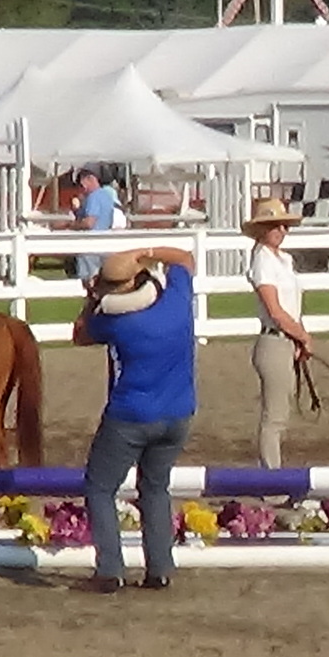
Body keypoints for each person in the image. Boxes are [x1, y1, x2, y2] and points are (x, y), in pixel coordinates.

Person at [72, 247, 198, 594]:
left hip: (129, 416)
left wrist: (92, 298)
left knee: (100, 488)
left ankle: (110, 570)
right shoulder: (176, 302)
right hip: (179, 412)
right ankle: (160, 568)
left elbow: (79, 333)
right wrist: (148, 251)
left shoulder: (113, 322)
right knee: (155, 489)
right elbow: (185, 259)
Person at [242, 196, 312, 468]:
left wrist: (298, 337)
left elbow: (291, 307)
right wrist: (303, 336)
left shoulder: (283, 260)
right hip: (275, 341)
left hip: (286, 341)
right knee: (274, 416)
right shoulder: (262, 261)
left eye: (285, 226)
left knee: (280, 413)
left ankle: (272, 471)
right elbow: (275, 311)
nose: (282, 230)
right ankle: (271, 475)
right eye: (276, 226)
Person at [71, 166, 122, 281]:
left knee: (88, 279)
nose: (81, 188)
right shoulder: (107, 196)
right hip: (105, 242)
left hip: (90, 244)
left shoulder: (93, 197)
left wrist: (71, 226)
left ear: (89, 179)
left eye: (81, 184)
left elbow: (89, 223)